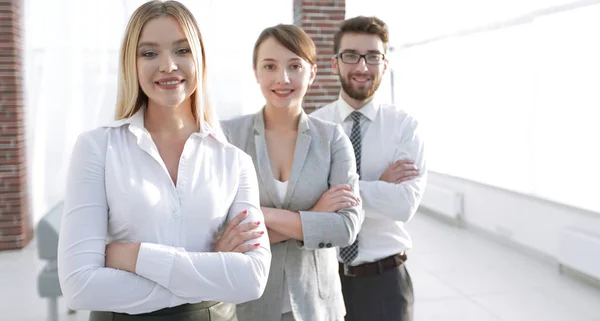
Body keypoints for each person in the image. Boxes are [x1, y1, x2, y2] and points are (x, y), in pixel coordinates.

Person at [57, 1, 271, 320]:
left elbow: (252, 279)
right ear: (132, 63)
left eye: (182, 50)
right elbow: (80, 285)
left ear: (200, 58)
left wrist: (135, 256)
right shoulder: (96, 148)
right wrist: (212, 268)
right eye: (149, 53)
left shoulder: (234, 161)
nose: (168, 65)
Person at [221, 24, 364, 321]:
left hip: (317, 305)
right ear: (256, 72)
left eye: (294, 66)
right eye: (270, 66)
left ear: (311, 72)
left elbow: (346, 228)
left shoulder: (333, 138)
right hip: (251, 304)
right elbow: (222, 235)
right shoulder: (229, 137)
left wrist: (261, 214)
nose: (282, 78)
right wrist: (315, 214)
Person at [310, 16, 427, 321]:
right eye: (351, 55)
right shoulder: (313, 127)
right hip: (324, 281)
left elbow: (404, 204)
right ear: (335, 63)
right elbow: (303, 200)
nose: (362, 66)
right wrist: (380, 184)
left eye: (372, 56)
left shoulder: (405, 127)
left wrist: (333, 189)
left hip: (386, 282)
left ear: (384, 64)